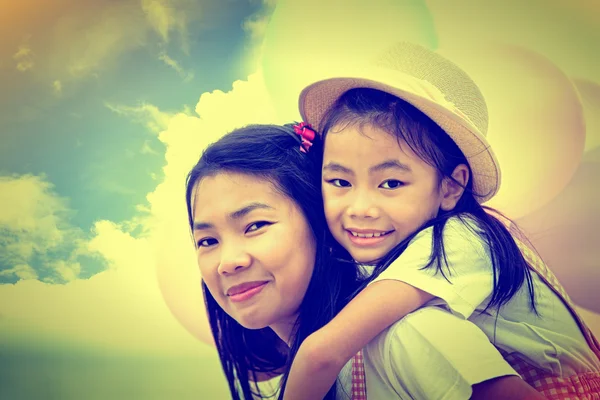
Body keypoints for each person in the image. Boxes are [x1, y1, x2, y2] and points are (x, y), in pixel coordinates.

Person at [283, 42, 600, 399]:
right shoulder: (386, 262)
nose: (360, 207)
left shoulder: (460, 239)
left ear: (451, 187)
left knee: (405, 332)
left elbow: (320, 353)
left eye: (390, 183)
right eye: (340, 182)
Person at [185, 123, 541, 399]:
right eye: (207, 240)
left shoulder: (406, 336)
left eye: (255, 225)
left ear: (323, 221)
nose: (227, 262)